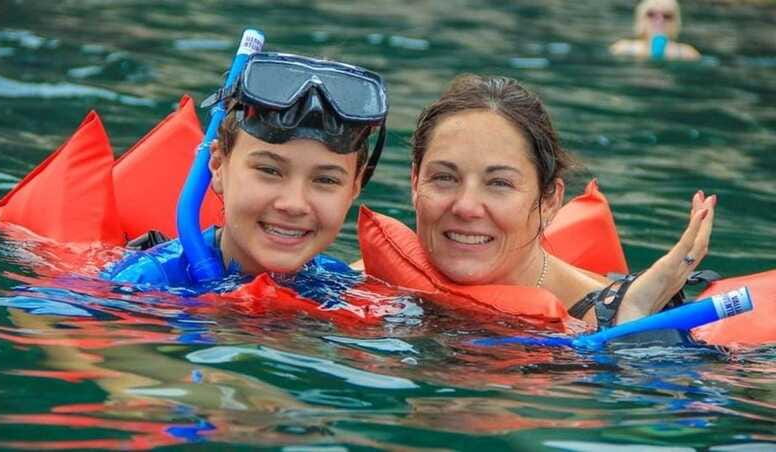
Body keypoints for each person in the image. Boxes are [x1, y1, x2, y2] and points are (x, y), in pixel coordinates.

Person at [405, 74, 714, 328]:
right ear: (415, 182)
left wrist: (629, 325)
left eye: (499, 183)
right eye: (445, 178)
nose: (466, 207)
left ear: (550, 200)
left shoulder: (607, 316)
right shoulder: (371, 284)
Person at [103, 52, 388, 290]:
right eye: (269, 170)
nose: (293, 204)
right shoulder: (144, 284)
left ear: (354, 187)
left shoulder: (338, 286)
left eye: (325, 180)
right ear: (216, 166)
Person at [610, 0, 701, 61]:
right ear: (641, 19)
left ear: (675, 23)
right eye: (651, 14)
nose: (659, 21)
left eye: (667, 16)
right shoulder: (623, 48)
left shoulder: (686, 53)